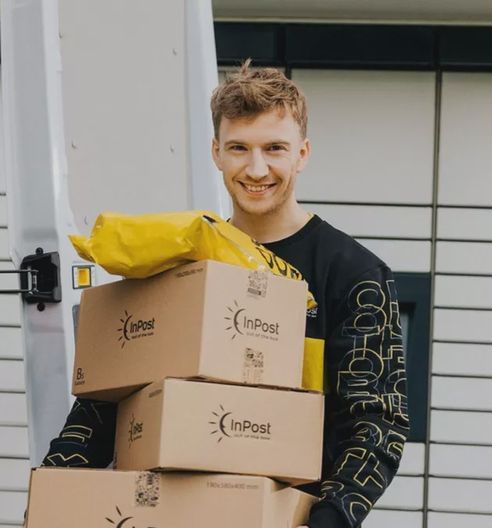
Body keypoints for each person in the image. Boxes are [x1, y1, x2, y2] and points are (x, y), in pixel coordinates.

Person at [41, 59, 409, 528]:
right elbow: (105, 399)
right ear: (216, 153)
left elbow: (377, 423)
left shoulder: (353, 274)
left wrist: (329, 520)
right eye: (239, 148)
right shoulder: (181, 262)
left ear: (302, 153)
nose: (256, 168)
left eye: (274, 148)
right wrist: (53, 491)